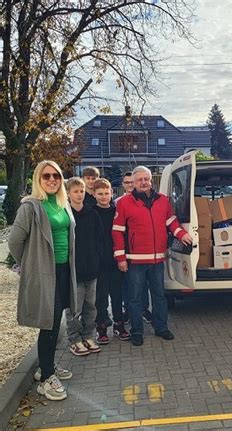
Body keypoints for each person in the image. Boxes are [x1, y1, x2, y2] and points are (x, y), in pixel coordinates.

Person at [9, 161, 77, 401]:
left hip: (63, 270)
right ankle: (46, 378)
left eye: (56, 176)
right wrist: (30, 265)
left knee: (55, 322)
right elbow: (14, 242)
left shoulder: (62, 203)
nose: (52, 180)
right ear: (38, 178)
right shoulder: (31, 206)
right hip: (44, 273)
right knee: (48, 323)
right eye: (46, 176)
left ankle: (45, 367)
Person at [112, 166, 192, 346]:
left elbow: (171, 222)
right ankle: (137, 331)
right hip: (135, 261)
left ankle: (161, 327)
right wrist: (121, 258)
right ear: (133, 183)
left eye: (146, 179)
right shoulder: (124, 203)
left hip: (157, 260)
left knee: (159, 296)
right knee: (134, 298)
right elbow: (117, 232)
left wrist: (182, 235)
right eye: (139, 179)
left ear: (150, 180)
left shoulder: (163, 201)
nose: (143, 182)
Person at [64, 177, 103, 356]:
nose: (79, 195)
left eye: (81, 191)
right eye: (75, 191)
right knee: (74, 308)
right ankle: (74, 339)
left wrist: (98, 260)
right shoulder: (65, 215)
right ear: (68, 193)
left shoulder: (92, 214)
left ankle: (88, 336)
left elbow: (99, 239)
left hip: (91, 268)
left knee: (90, 305)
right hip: (74, 270)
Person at [94, 178, 130, 344]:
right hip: (99, 263)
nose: (103, 197)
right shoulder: (91, 213)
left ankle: (119, 325)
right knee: (100, 297)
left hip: (116, 260)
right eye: (100, 194)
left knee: (117, 295)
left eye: (106, 193)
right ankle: (101, 328)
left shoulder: (117, 211)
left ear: (112, 193)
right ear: (94, 194)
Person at [115, 172, 152, 324]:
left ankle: (144, 309)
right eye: (127, 182)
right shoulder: (118, 202)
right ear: (123, 185)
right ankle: (128, 310)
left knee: (142, 284)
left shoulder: (145, 200)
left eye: (132, 182)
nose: (130, 185)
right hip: (125, 251)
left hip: (139, 252)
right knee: (126, 284)